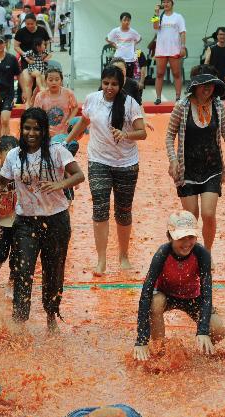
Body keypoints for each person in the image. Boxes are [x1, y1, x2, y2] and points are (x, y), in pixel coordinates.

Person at [0, 107, 85, 331]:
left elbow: (79, 175)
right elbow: (1, 184)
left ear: (44, 131)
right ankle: (19, 320)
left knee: (53, 270)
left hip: (56, 219)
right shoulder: (13, 155)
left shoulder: (57, 151)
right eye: (27, 128)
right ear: (21, 129)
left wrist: (60, 184)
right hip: (25, 222)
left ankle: (51, 315)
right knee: (22, 270)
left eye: (37, 129)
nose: (31, 133)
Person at [65, 66, 146, 275]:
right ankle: (101, 259)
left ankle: (123, 255)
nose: (110, 88)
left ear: (120, 85)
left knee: (123, 211)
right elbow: (83, 123)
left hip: (126, 163)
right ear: (101, 82)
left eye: (114, 84)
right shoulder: (92, 99)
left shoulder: (130, 104)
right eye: (106, 83)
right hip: (98, 160)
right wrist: (64, 144)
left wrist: (125, 134)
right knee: (100, 206)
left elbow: (142, 132)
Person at [165, 70, 225, 252]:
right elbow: (169, 136)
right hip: (187, 169)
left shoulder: (218, 106)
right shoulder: (181, 106)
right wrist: (173, 160)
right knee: (192, 216)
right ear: (195, 86)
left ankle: (206, 253)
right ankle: (191, 253)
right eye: (204, 85)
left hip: (212, 167)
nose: (208, 88)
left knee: (208, 214)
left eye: (211, 85)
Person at [133, 211, 224, 360]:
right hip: (166, 296)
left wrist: (202, 331)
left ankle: (203, 347)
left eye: (191, 237)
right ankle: (159, 349)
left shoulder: (202, 254)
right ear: (170, 236)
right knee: (155, 302)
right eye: (181, 237)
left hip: (193, 298)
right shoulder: (162, 253)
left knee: (218, 330)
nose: (187, 243)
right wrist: (141, 340)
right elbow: (146, 292)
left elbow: (207, 292)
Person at [0, 135, 20, 284]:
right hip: (2, 220)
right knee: (1, 248)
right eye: (7, 157)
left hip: (20, 219)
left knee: (18, 252)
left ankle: (12, 281)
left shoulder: (21, 173)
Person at [151, 0, 186, 104]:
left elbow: (182, 32)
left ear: (172, 3)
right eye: (164, 2)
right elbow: (155, 27)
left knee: (176, 73)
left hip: (174, 49)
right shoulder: (158, 15)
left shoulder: (178, 16)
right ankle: (158, 97)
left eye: (168, 2)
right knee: (159, 74)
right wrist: (156, 13)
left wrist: (183, 47)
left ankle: (178, 97)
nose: (166, 4)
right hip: (161, 49)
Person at [0, 35, 20, 137]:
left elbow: (19, 75)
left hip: (8, 94)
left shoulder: (11, 59)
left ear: (5, 44)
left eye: (1, 43)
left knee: (5, 120)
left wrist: (23, 91)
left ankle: (7, 144)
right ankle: (0, 145)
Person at [14, 14, 51, 103]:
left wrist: (45, 54)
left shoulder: (42, 30)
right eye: (27, 24)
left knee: (42, 81)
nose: (30, 26)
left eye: (32, 24)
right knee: (28, 82)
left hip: (40, 60)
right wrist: (25, 55)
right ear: (25, 23)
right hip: (27, 60)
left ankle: (41, 101)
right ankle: (27, 103)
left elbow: (48, 43)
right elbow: (16, 46)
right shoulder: (21, 32)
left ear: (36, 22)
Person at [32, 67, 77, 137]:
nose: (54, 82)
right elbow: (36, 114)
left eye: (57, 79)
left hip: (64, 131)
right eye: (50, 80)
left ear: (61, 81)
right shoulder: (40, 96)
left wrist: (70, 119)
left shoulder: (68, 93)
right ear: (46, 81)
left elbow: (75, 107)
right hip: (46, 132)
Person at [107, 12, 141, 79]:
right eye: (124, 20)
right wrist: (113, 44)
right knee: (117, 77)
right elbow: (108, 39)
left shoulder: (132, 32)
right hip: (118, 58)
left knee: (128, 78)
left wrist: (134, 44)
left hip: (129, 58)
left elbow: (139, 38)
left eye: (128, 20)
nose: (126, 22)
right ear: (120, 21)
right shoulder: (116, 31)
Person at [203, 27, 225, 98]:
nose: (222, 36)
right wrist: (207, 75)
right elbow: (206, 62)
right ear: (217, 36)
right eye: (220, 34)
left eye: (224, 34)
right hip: (213, 78)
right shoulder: (211, 48)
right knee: (212, 99)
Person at [22, 37, 52, 102]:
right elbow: (24, 54)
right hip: (33, 69)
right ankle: (41, 87)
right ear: (38, 46)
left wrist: (46, 58)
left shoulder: (44, 51)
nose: (45, 46)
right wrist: (28, 60)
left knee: (43, 79)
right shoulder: (32, 52)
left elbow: (50, 54)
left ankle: (35, 96)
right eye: (43, 45)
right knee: (38, 74)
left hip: (41, 69)